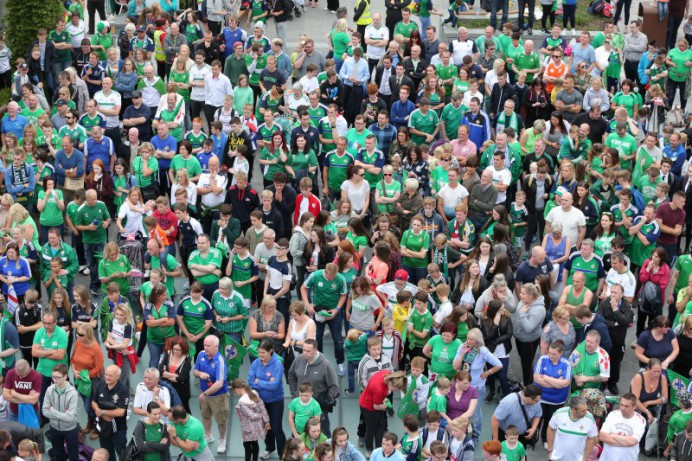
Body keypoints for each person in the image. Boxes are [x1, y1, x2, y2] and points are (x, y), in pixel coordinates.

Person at [287, 339, 340, 435]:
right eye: (304, 350)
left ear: (315, 350)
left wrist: (327, 401)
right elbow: (291, 375)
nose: (305, 353)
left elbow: (334, 386)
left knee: (322, 434)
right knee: (298, 435)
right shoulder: (298, 360)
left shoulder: (325, 364)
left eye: (308, 351)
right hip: (301, 404)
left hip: (318, 407)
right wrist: (294, 393)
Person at [248, 340, 286, 461]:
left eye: (263, 353)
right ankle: (270, 447)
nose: (260, 355)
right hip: (261, 402)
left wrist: (258, 382)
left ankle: (283, 454)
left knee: (276, 429)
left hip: (276, 402)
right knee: (265, 427)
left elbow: (274, 385)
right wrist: (265, 383)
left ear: (271, 351)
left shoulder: (277, 364)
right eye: (259, 352)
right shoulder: (255, 363)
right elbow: (250, 382)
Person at [193, 334, 229, 454]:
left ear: (216, 347)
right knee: (205, 415)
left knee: (221, 420)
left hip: (218, 396)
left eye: (208, 346)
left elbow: (219, 383)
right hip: (204, 393)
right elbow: (195, 371)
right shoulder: (201, 354)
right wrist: (200, 374)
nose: (205, 348)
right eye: (204, 345)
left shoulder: (220, 361)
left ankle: (222, 439)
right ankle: (208, 435)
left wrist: (205, 394)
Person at [533, 341, 572, 447]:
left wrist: (546, 378)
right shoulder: (543, 359)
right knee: (537, 418)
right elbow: (537, 379)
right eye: (549, 353)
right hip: (541, 398)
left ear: (560, 353)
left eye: (553, 354)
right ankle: (532, 438)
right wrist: (555, 382)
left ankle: (545, 439)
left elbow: (565, 383)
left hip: (557, 400)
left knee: (550, 421)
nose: (550, 356)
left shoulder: (566, 364)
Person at [43, 363, 79, 461]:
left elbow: (70, 418)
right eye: (53, 377)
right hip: (54, 428)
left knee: (73, 455)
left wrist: (53, 411)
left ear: (65, 377)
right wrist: (63, 414)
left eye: (58, 377)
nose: (55, 380)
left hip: (70, 429)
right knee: (58, 455)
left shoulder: (72, 393)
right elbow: (44, 411)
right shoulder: (50, 390)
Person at [92, 365, 129, 461]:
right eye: (106, 374)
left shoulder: (123, 389)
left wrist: (102, 412)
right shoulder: (101, 384)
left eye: (110, 375)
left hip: (118, 430)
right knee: (106, 453)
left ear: (118, 377)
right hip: (104, 427)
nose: (107, 377)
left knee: (122, 453)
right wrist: (97, 410)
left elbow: (121, 412)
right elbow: (94, 402)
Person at [546, 396, 598, 461]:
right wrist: (550, 450)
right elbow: (550, 429)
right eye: (583, 411)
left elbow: (592, 439)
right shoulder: (559, 414)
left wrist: (585, 458)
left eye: (586, 409)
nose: (586, 412)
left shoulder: (589, 418)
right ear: (573, 410)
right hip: (556, 458)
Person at [599, 393, 646, 460]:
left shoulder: (640, 420)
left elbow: (632, 441)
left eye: (626, 406)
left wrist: (612, 435)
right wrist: (625, 440)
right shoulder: (613, 415)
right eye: (621, 405)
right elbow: (602, 436)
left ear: (634, 407)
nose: (623, 408)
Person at [159, 336, 192, 414]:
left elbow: (181, 379)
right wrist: (175, 375)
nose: (175, 351)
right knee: (169, 409)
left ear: (183, 350)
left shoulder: (187, 360)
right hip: (167, 388)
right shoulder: (168, 355)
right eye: (174, 349)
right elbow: (160, 371)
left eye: (178, 350)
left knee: (183, 410)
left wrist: (166, 374)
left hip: (181, 391)